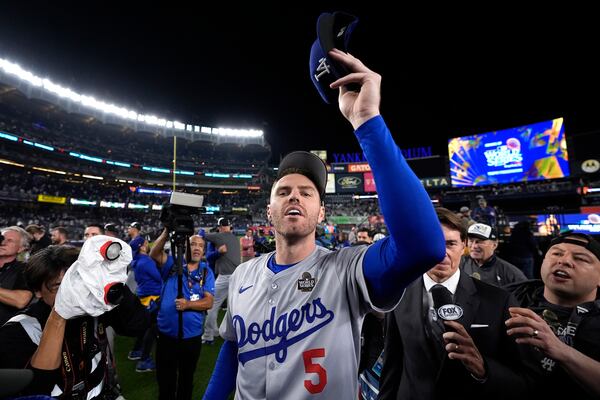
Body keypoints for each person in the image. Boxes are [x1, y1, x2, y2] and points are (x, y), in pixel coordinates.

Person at [202, 49, 445, 399]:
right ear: (268, 211)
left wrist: (367, 120)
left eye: (307, 192)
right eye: (283, 191)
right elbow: (232, 351)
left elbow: (424, 247)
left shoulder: (346, 269)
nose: (294, 197)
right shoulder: (243, 275)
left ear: (321, 213)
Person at [378, 208, 530, 400]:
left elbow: (524, 379)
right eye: (433, 243)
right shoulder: (398, 294)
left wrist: (483, 369)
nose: (441, 253)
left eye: (450, 244)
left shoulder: (500, 301)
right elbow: (392, 365)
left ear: (463, 245)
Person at [0, 243, 149, 399]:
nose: (72, 292)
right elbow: (38, 388)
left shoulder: (92, 310)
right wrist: (59, 315)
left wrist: (114, 283)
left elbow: (138, 326)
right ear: (37, 291)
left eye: (76, 282)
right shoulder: (18, 329)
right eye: (59, 286)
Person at [505, 231, 600, 399]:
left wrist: (561, 351)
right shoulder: (508, 298)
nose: (563, 261)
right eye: (556, 253)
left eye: (580, 258)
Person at [150, 229, 215, 400]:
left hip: (191, 337)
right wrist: (166, 231)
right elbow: (154, 253)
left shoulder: (206, 272)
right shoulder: (172, 265)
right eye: (193, 243)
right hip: (166, 336)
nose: (196, 248)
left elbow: (208, 302)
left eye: (201, 246)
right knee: (165, 380)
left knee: (186, 379)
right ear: (185, 247)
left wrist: (188, 305)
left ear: (204, 251)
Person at [201, 217, 241, 345]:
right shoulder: (235, 238)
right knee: (233, 307)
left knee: (212, 305)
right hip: (237, 275)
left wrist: (217, 252)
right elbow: (210, 256)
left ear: (220, 227)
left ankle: (208, 336)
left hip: (224, 276)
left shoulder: (219, 237)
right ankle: (220, 332)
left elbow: (201, 234)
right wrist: (217, 252)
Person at [127, 235, 161, 373]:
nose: (148, 245)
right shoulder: (146, 261)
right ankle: (144, 360)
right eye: (146, 243)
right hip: (153, 297)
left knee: (146, 327)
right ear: (141, 246)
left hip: (143, 296)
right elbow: (159, 278)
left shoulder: (136, 261)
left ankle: (136, 351)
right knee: (152, 329)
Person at [460, 223, 527, 287]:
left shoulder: (511, 274)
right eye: (471, 241)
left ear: (494, 245)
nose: (474, 246)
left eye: (479, 241)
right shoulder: (459, 264)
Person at [0, 226, 33, 326]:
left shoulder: (25, 269)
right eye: (1, 238)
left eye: (10, 240)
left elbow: (21, 300)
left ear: (21, 248)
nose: (3, 243)